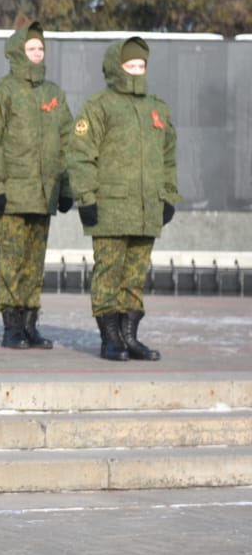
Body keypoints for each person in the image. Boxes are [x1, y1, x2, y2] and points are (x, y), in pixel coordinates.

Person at [67, 37, 178, 361]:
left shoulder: (157, 108)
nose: (136, 70)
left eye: (141, 65)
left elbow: (168, 156)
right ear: (116, 67)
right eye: (130, 65)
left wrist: (168, 195)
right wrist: (86, 197)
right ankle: (110, 338)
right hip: (110, 209)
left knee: (135, 276)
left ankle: (130, 337)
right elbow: (80, 154)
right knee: (108, 273)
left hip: (146, 209)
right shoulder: (99, 106)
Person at [0, 15, 74, 349]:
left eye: (40, 48)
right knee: (12, 261)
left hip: (43, 195)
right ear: (18, 51)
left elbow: (67, 142)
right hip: (13, 195)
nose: (37, 53)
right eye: (31, 48)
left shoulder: (54, 94)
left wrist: (66, 187)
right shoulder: (2, 93)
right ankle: (12, 327)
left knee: (35, 262)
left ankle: (31, 324)